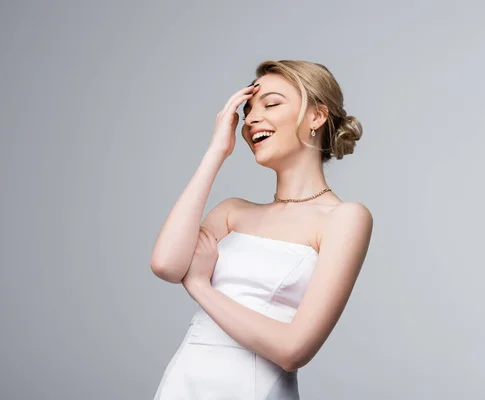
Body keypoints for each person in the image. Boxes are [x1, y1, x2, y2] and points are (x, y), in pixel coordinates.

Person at [150, 60, 373, 399]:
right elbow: (166, 264)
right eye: (248, 109)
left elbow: (293, 350)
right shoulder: (231, 212)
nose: (252, 119)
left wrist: (199, 286)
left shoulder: (345, 218)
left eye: (271, 104)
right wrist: (216, 152)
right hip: (184, 383)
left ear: (316, 116)